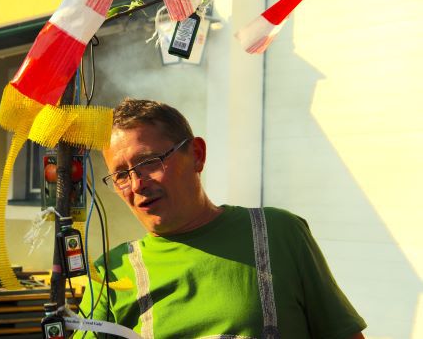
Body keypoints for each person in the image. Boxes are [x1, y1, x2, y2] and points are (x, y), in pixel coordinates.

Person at [75, 98, 366, 338]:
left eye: (149, 162)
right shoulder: (110, 273)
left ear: (197, 155)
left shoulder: (279, 232)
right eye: (121, 175)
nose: (137, 184)